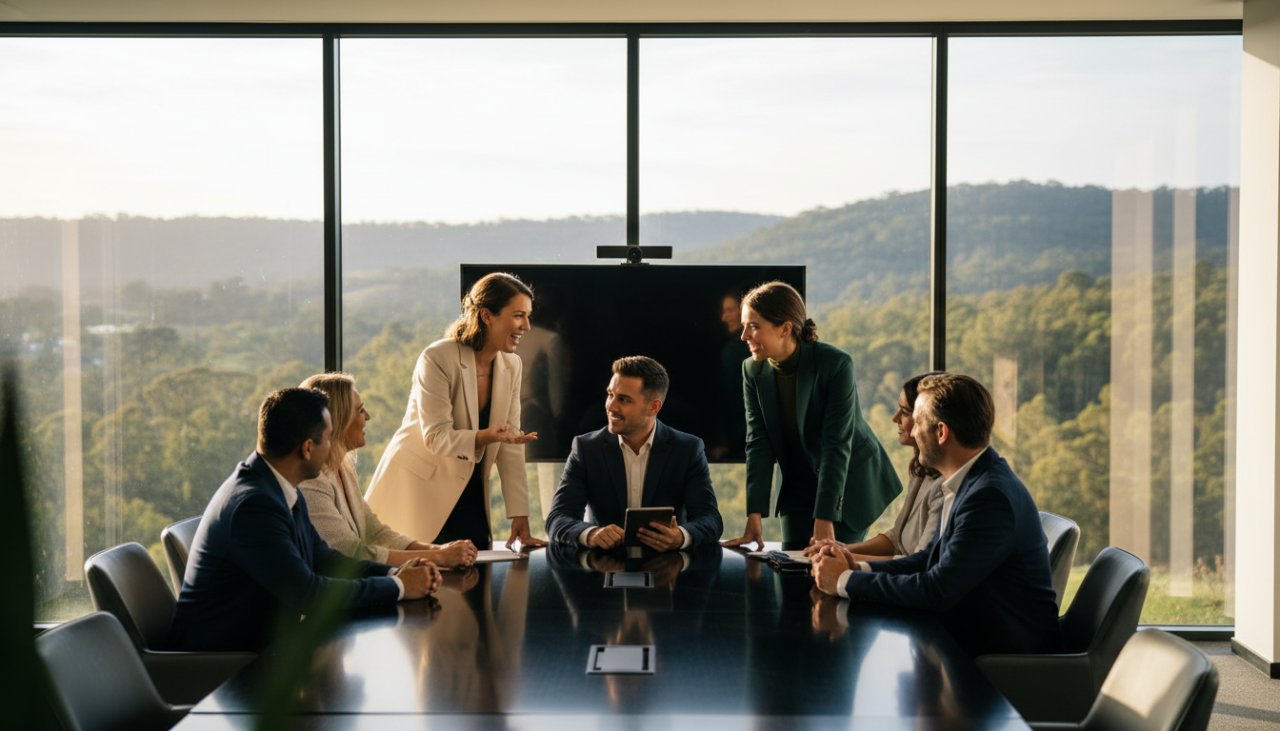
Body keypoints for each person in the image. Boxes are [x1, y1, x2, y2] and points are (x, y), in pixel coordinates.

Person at [166, 387, 442, 653]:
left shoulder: (277, 486)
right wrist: (400, 587)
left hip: (262, 649)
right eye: (330, 437)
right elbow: (308, 595)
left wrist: (395, 573)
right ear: (308, 448)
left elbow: (324, 560)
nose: (334, 446)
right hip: (225, 668)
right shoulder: (254, 505)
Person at [811, 373, 1062, 657]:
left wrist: (844, 582)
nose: (914, 433)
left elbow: (937, 590)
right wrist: (856, 569)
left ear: (941, 432)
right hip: (970, 635)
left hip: (1000, 657)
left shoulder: (988, 498)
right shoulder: (970, 481)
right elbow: (927, 560)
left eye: (917, 422)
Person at [366, 272, 547, 550]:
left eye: (528, 316)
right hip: (419, 492)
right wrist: (486, 435)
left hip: (471, 492)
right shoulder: (437, 357)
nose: (527, 326)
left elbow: (510, 444)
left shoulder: (512, 365)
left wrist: (519, 514)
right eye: (518, 315)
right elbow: (436, 437)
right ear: (487, 315)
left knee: (476, 582)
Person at [723, 281, 901, 551]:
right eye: (745, 325)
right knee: (791, 571)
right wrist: (754, 514)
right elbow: (758, 442)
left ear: (785, 329)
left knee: (831, 573)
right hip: (797, 484)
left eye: (754, 326)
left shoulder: (836, 364)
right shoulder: (752, 370)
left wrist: (826, 516)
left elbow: (836, 444)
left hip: (847, 485)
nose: (744, 335)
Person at [297, 372, 478, 568]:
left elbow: (376, 533)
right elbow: (351, 553)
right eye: (360, 411)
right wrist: (440, 557)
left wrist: (438, 550)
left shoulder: (343, 470)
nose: (367, 417)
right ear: (338, 420)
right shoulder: (311, 482)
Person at [545, 356, 723, 550]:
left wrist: (681, 536)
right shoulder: (586, 448)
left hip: (668, 568)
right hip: (602, 569)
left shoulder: (688, 449)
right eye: (610, 394)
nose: (611, 406)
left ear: (653, 407)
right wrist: (591, 534)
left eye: (623, 399)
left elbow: (710, 519)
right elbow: (558, 518)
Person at [804, 372, 945, 563]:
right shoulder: (922, 468)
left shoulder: (945, 485)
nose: (895, 418)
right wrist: (841, 548)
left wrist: (847, 559)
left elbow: (919, 563)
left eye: (904, 412)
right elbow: (898, 538)